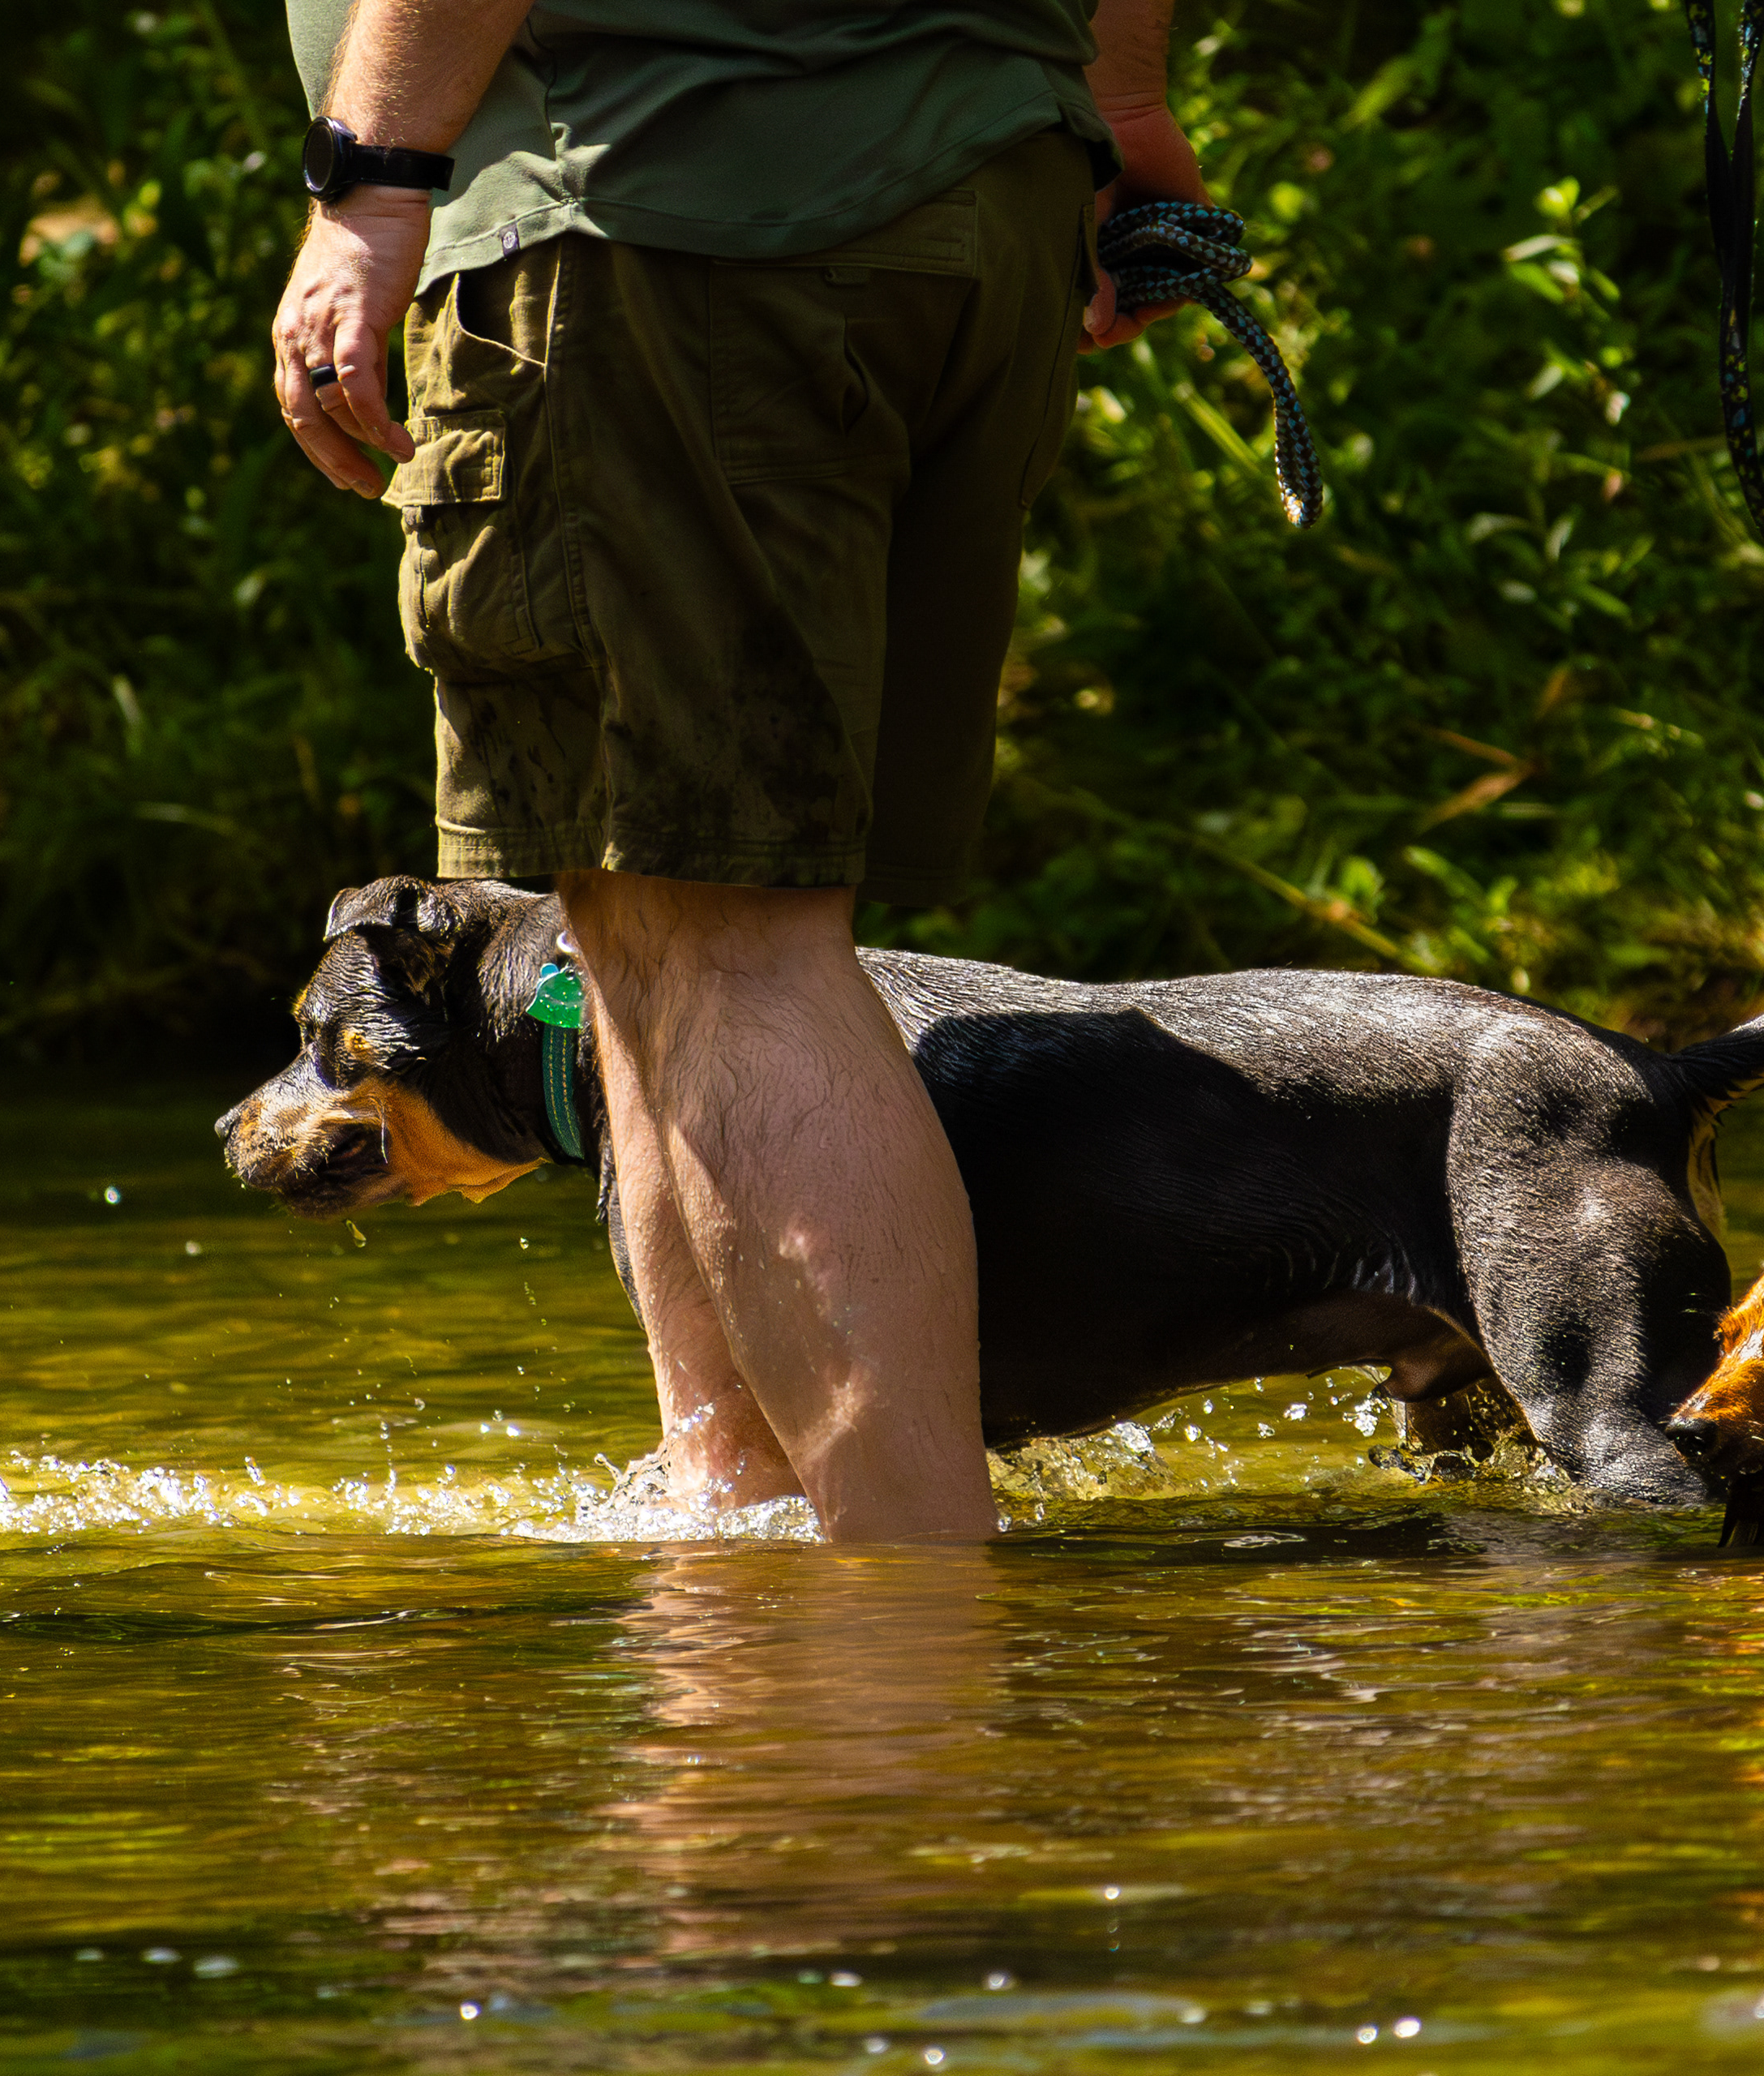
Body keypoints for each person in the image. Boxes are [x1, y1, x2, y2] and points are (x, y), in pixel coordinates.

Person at [270, 0, 1205, 1540]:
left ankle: (901, 1634)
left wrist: (371, 180)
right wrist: (1122, 108)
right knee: (652, 934)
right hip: (984, 199)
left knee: (727, 943)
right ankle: (740, 1562)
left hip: (658, 208)